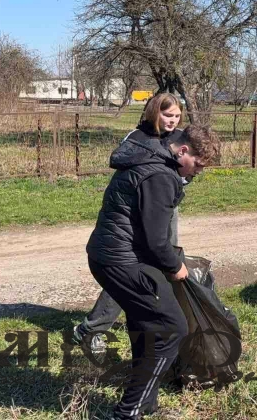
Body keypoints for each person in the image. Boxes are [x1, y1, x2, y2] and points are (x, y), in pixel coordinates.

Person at [86, 123, 220, 420]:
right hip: (121, 259)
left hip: (109, 255)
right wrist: (175, 268)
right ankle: (128, 411)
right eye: (197, 164)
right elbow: (157, 240)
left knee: (146, 323)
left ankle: (145, 400)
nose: (199, 171)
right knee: (172, 328)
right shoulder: (160, 175)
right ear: (183, 150)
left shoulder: (150, 155)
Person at [71, 94, 185, 355]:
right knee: (134, 269)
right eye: (168, 115)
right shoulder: (137, 139)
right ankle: (92, 329)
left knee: (165, 261)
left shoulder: (176, 137)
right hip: (137, 213)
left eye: (177, 115)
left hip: (164, 208)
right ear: (154, 112)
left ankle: (169, 322)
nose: (173, 120)